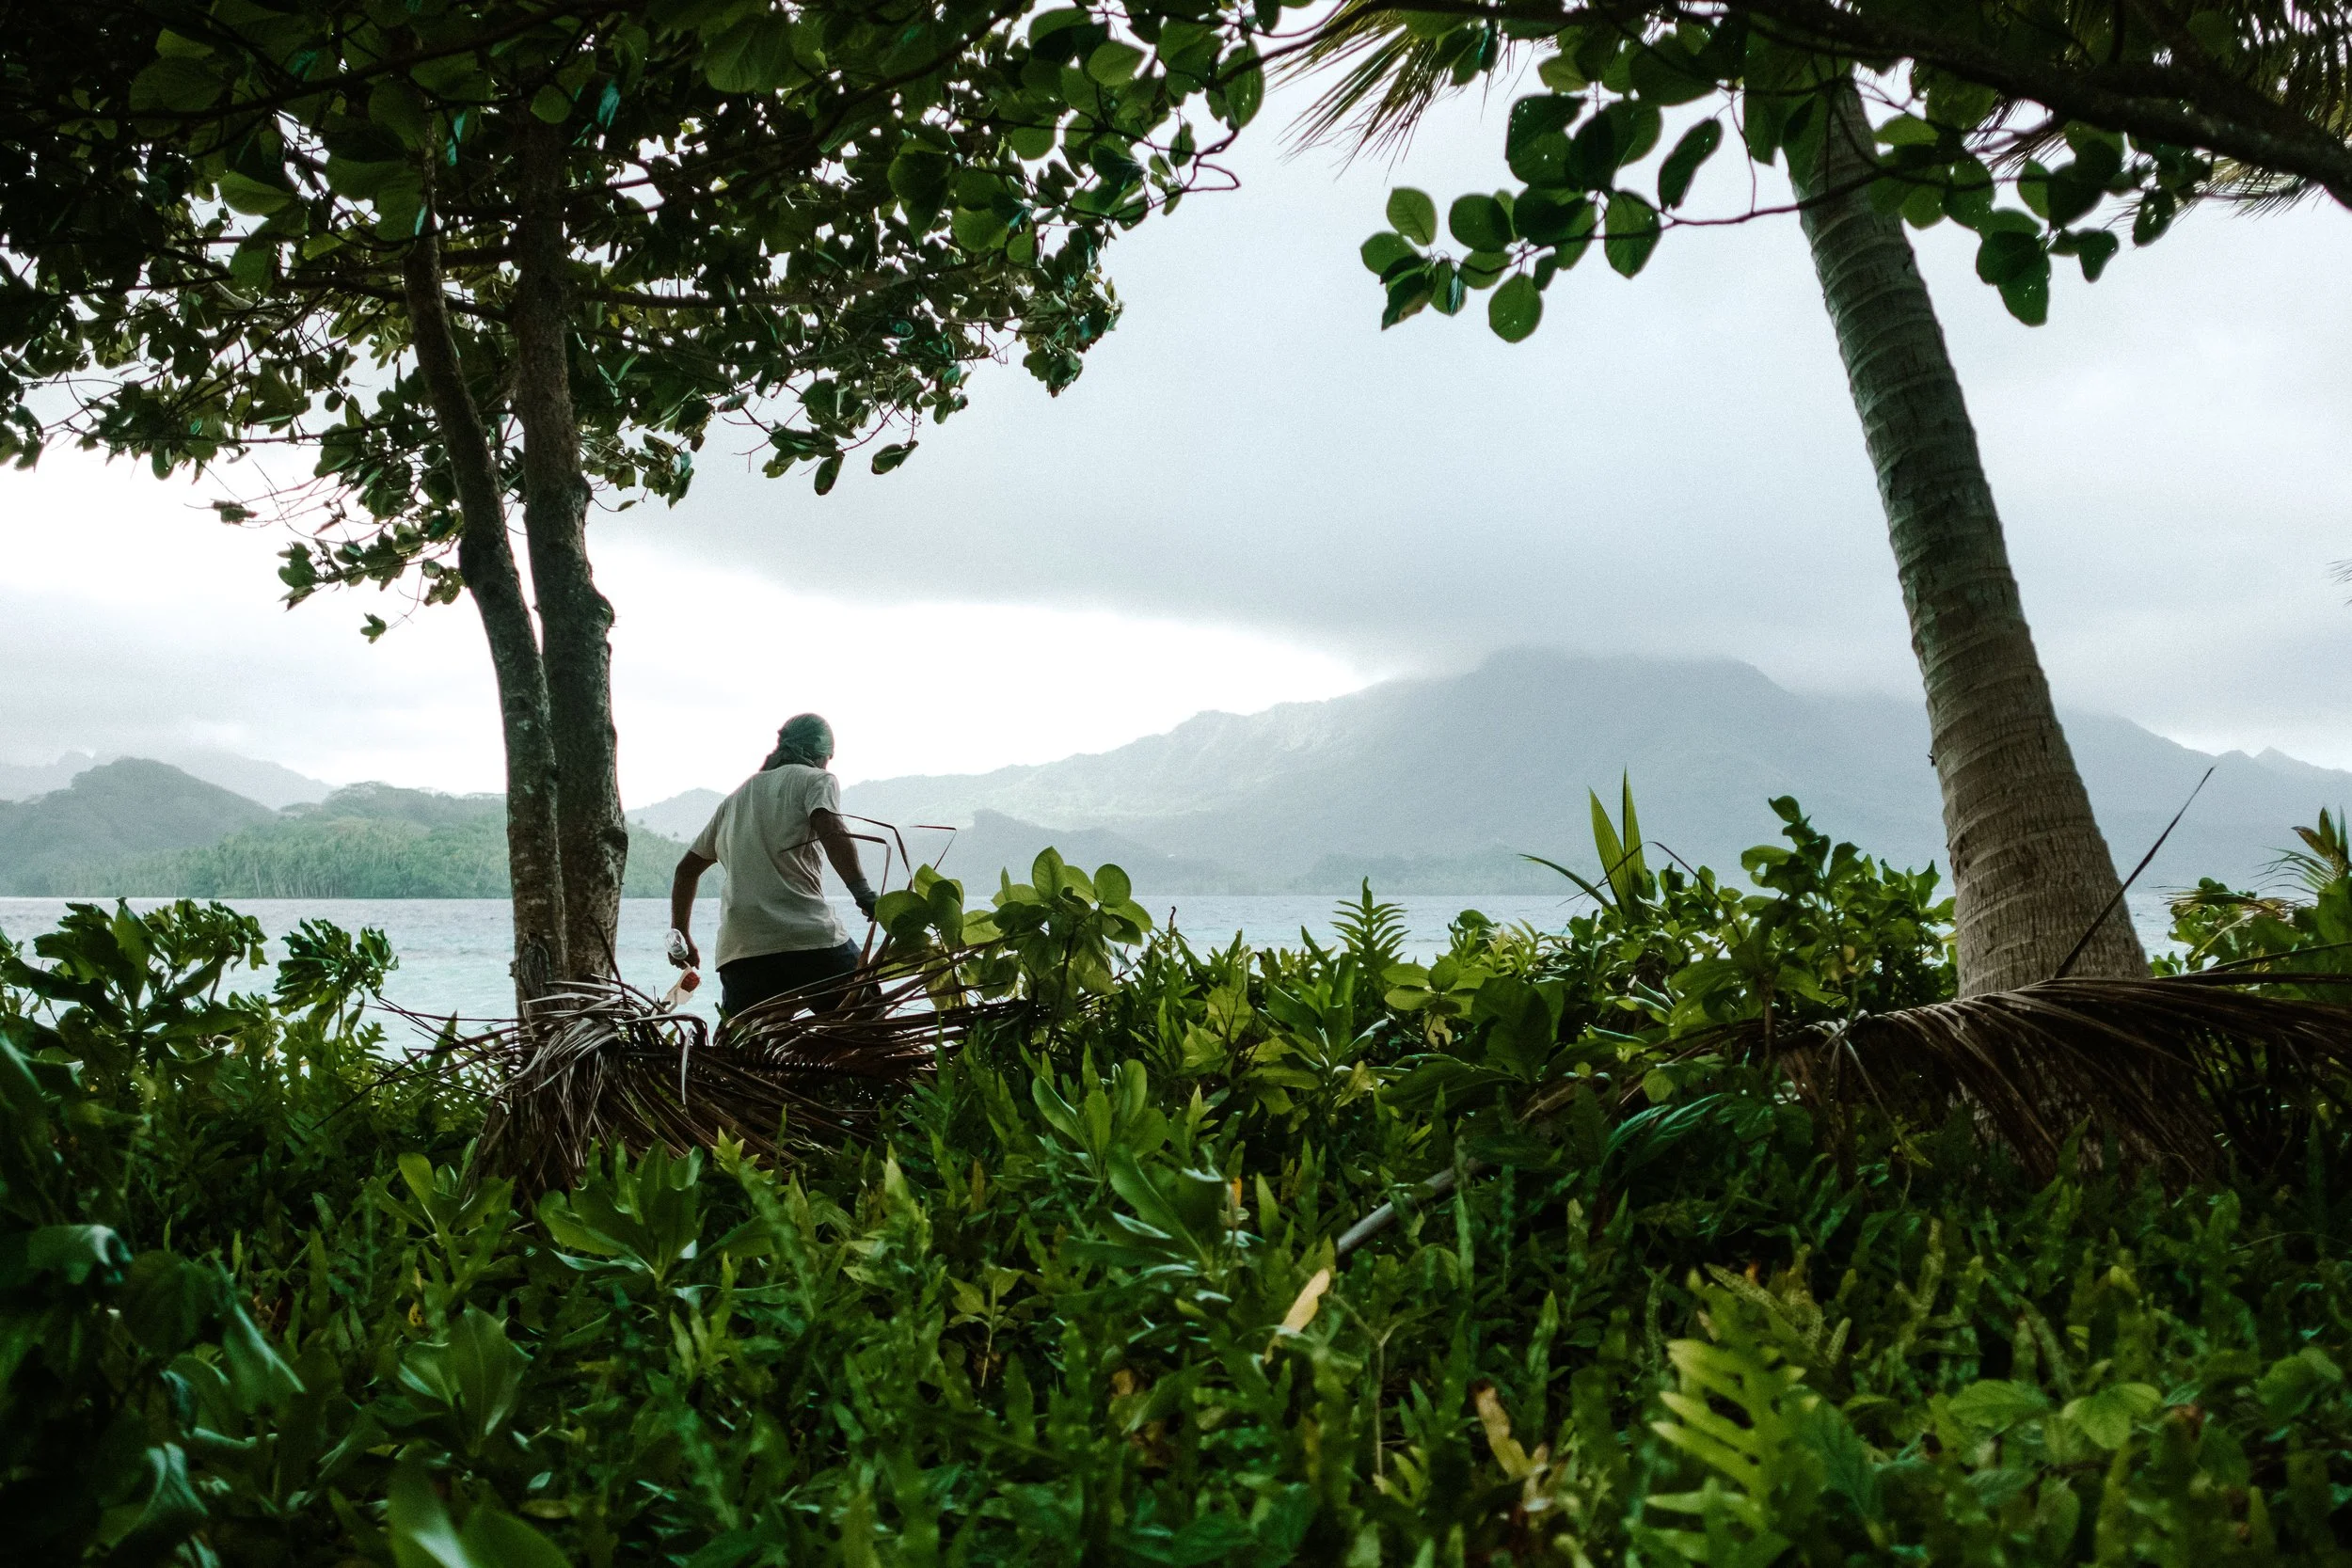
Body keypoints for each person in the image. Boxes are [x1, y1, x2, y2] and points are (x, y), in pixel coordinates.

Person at [670, 713, 879, 1018]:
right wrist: (863, 893)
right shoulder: (817, 779)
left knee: (747, 1051)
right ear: (820, 755)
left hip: (741, 951)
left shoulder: (736, 798)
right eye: (827, 758)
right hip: (807, 938)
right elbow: (833, 830)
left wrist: (682, 935)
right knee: (867, 1022)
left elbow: (686, 869)